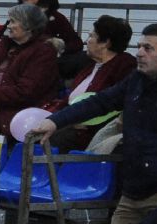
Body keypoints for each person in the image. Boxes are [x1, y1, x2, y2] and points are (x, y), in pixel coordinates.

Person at [31, 23, 157, 224]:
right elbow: (99, 102)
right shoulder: (136, 80)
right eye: (139, 46)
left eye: (148, 48)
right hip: (133, 190)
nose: (139, 53)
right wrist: (55, 122)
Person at [49, 15, 135, 150]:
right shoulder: (90, 64)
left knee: (51, 139)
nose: (86, 41)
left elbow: (112, 105)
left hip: (89, 132)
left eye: (91, 36)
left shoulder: (123, 67)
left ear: (105, 42)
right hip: (70, 122)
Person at [0, 2, 60, 138]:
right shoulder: (6, 45)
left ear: (28, 26)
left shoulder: (43, 52)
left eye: (13, 21)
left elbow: (25, 93)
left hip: (15, 113)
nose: (8, 26)